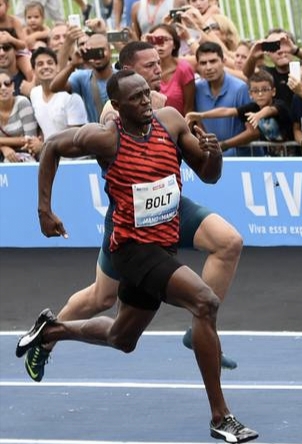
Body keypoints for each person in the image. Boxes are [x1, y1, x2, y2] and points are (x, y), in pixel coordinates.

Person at [18, 70, 258, 444]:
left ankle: (52, 329)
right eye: (136, 98)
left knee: (122, 337)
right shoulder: (106, 138)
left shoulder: (171, 122)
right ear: (117, 106)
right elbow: (51, 147)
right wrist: (44, 210)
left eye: (147, 93)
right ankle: (221, 417)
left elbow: (209, 176)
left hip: (163, 244)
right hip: (132, 250)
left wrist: (214, 154)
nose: (147, 101)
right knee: (205, 303)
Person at [186, 70, 292, 156]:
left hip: (291, 153)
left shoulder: (279, 104)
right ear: (250, 94)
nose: (260, 94)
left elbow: (270, 110)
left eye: (265, 90)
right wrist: (200, 115)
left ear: (273, 91)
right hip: (270, 155)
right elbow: (227, 111)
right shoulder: (252, 107)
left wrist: (258, 115)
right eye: (255, 90)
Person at [194, 41, 253, 156]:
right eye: (203, 63)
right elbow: (199, 123)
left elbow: (253, 131)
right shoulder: (197, 89)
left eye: (213, 61)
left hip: (241, 159)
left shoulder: (240, 88)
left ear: (223, 61)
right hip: (212, 159)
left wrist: (223, 145)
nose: (208, 67)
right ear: (198, 66)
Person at [50, 32, 114, 123]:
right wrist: (72, 64)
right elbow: (54, 87)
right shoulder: (83, 77)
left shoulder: (121, 77)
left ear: (110, 52)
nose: (97, 56)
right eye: (92, 52)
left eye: (101, 51)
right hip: (97, 130)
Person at [29, 47, 88, 143]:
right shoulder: (34, 93)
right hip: (48, 151)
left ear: (57, 67)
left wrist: (42, 147)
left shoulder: (71, 97)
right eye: (40, 64)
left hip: (72, 152)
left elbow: (75, 140)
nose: (45, 67)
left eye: (50, 63)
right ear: (33, 71)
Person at [147, 23, 196, 115]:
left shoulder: (184, 69)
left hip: (178, 122)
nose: (160, 45)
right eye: (155, 40)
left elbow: (189, 108)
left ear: (174, 44)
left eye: (165, 39)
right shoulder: (145, 69)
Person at [0, 68, 39, 162]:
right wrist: (4, 148)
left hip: (24, 153)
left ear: (13, 86)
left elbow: (30, 140)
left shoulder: (22, 103)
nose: (3, 88)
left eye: (7, 83)